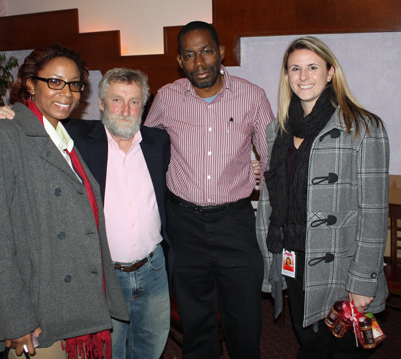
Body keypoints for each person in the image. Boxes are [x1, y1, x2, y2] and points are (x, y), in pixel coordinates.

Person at [0, 68, 172, 359]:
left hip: (154, 268)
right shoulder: (76, 138)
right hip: (106, 274)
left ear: (144, 106)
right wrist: (6, 115)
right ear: (100, 103)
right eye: (117, 100)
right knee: (112, 351)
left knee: (152, 345)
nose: (126, 109)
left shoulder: (158, 142)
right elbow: (33, 125)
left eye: (134, 102)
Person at [0, 45, 128, 359]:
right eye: (54, 82)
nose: (66, 93)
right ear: (30, 84)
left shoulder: (63, 139)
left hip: (72, 303)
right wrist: (16, 321)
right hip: (38, 317)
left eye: (74, 84)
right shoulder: (1, 137)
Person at [145, 21, 274, 358]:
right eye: (189, 55)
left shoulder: (253, 96)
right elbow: (140, 148)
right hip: (183, 224)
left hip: (235, 222)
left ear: (221, 53)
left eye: (205, 51)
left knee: (244, 320)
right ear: (179, 60)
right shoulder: (166, 98)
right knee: (196, 320)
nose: (199, 62)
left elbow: (274, 157)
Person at [256, 36, 389, 359]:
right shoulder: (278, 131)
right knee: (311, 343)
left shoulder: (363, 127)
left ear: (330, 72)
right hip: (294, 256)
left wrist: (362, 281)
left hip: (341, 264)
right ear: (287, 76)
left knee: (344, 349)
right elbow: (273, 197)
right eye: (295, 68)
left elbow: (373, 212)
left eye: (313, 67)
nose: (303, 76)